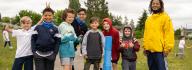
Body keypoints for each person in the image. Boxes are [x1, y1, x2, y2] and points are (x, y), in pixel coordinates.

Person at [143, 0, 175, 70]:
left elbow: (169, 33)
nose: (155, 5)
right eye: (153, 3)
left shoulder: (165, 17)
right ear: (151, 5)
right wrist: (145, 47)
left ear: (161, 5)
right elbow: (146, 34)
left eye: (157, 3)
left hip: (160, 52)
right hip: (149, 51)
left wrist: (167, 49)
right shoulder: (148, 19)